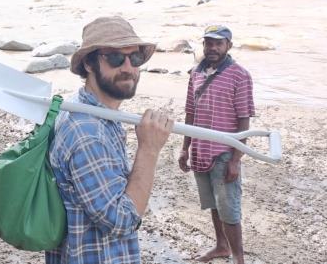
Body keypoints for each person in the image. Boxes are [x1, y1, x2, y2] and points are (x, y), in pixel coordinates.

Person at [47, 16, 174, 264]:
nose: (128, 68)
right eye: (116, 58)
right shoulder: (87, 133)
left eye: (135, 58)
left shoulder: (90, 110)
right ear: (89, 64)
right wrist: (149, 149)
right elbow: (122, 220)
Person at [179, 25, 254, 264]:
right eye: (208, 43)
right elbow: (190, 112)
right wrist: (185, 148)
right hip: (201, 150)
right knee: (213, 202)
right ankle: (222, 246)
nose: (212, 48)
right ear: (203, 45)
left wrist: (236, 160)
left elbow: (244, 119)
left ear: (228, 46)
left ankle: (239, 258)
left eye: (218, 43)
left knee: (229, 207)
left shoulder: (240, 75)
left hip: (224, 151)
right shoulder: (196, 73)